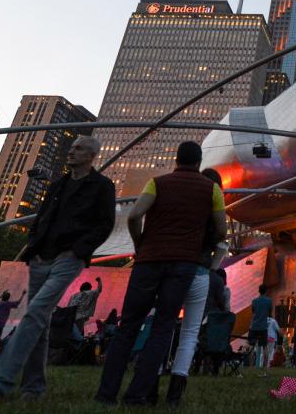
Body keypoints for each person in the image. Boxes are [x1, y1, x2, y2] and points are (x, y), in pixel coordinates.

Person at [0, 136, 116, 404]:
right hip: (41, 257)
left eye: (79, 149)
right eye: (72, 147)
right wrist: (33, 245)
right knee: (41, 320)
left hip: (68, 258)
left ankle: (1, 383)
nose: (71, 151)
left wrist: (78, 250)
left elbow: (105, 224)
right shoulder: (59, 185)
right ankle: (34, 388)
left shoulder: (102, 187)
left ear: (92, 156)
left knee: (35, 313)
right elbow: (42, 217)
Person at [95, 140, 226, 406]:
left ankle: (106, 394)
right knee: (163, 327)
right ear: (199, 162)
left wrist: (139, 243)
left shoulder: (157, 182)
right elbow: (222, 232)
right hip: (184, 264)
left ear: (176, 159)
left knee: (129, 326)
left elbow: (134, 216)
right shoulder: (212, 189)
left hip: (148, 261)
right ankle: (137, 395)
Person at [167, 165, 229, 403]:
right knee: (190, 331)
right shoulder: (213, 200)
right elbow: (222, 234)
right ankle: (175, 389)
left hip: (172, 265)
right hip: (199, 269)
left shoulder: (179, 199)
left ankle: (153, 374)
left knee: (166, 322)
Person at [249, 285, 274, 372]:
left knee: (252, 347)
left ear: (259, 291)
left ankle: (251, 367)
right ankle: (264, 367)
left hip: (254, 326)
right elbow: (270, 313)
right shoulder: (269, 301)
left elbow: (253, 312)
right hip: (263, 327)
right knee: (265, 347)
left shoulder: (254, 301)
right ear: (266, 291)